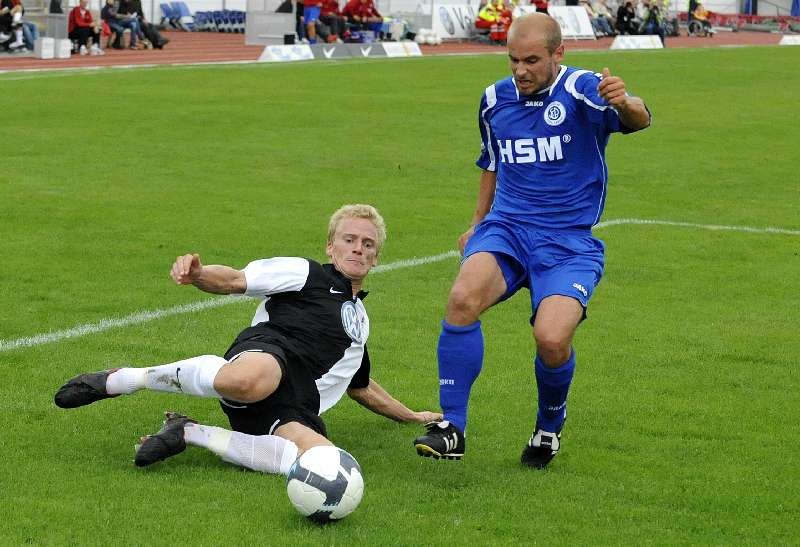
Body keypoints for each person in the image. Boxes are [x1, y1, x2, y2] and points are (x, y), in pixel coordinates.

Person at [412, 13, 650, 468]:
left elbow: (638, 120)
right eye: (513, 60)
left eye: (532, 61)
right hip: (508, 229)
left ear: (559, 54)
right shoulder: (493, 100)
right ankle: (452, 426)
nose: (520, 70)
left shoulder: (582, 89)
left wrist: (624, 102)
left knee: (552, 338)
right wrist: (477, 222)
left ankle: (547, 429)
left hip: (567, 242)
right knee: (462, 298)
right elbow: (492, 161)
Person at [55, 204, 441, 475]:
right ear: (330, 246)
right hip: (270, 354)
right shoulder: (305, 273)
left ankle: (190, 432)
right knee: (250, 380)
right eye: (349, 239)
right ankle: (124, 379)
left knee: (323, 460)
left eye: (368, 244)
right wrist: (200, 274)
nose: (358, 248)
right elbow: (238, 280)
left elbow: (360, 385)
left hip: (295, 402)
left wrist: (413, 416)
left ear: (376, 258)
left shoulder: (360, 322)